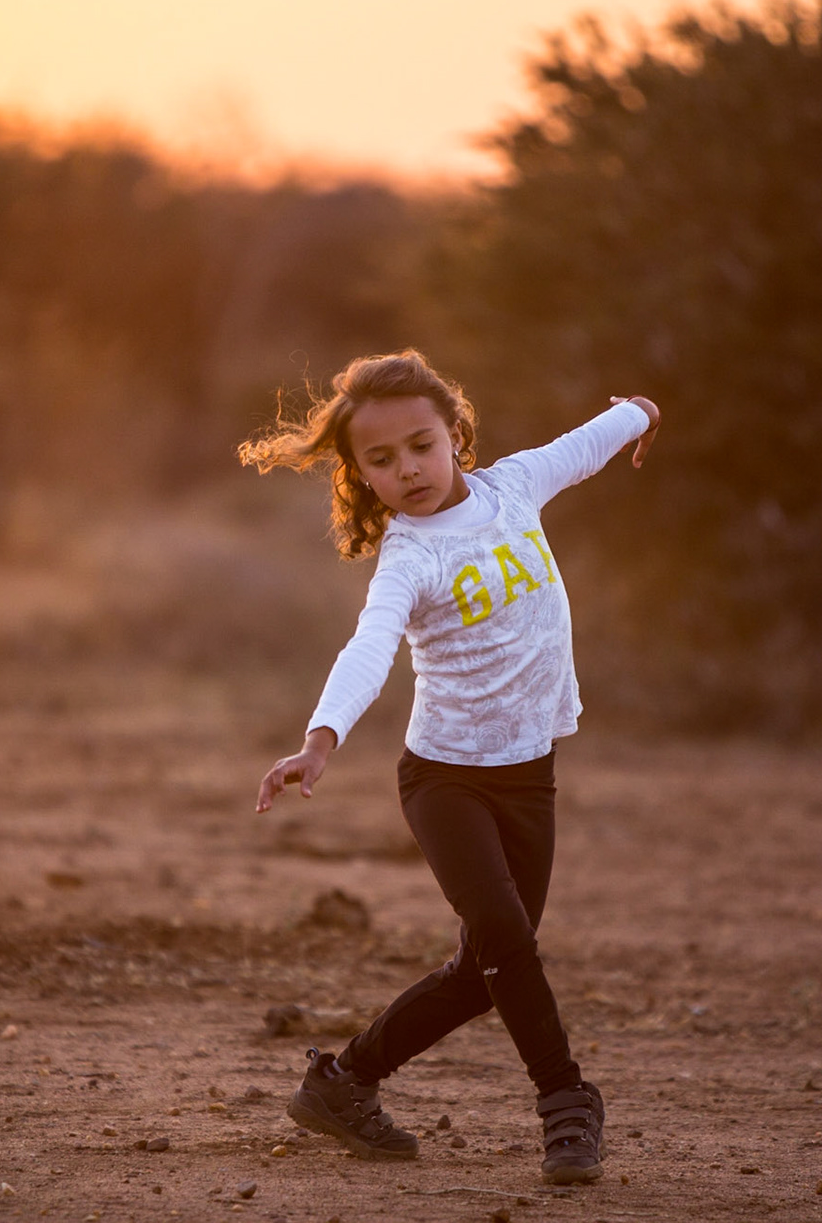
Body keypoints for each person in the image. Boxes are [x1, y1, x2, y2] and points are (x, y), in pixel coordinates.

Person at [238, 349, 660, 1186]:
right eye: (382, 461)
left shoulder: (514, 487)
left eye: (421, 446)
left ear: (455, 436)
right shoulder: (409, 558)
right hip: (445, 781)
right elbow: (368, 648)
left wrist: (642, 414)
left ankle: (344, 1083)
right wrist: (320, 740)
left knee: (485, 970)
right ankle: (568, 1105)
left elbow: (589, 441)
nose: (408, 470)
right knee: (506, 939)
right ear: (362, 475)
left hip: (528, 774)